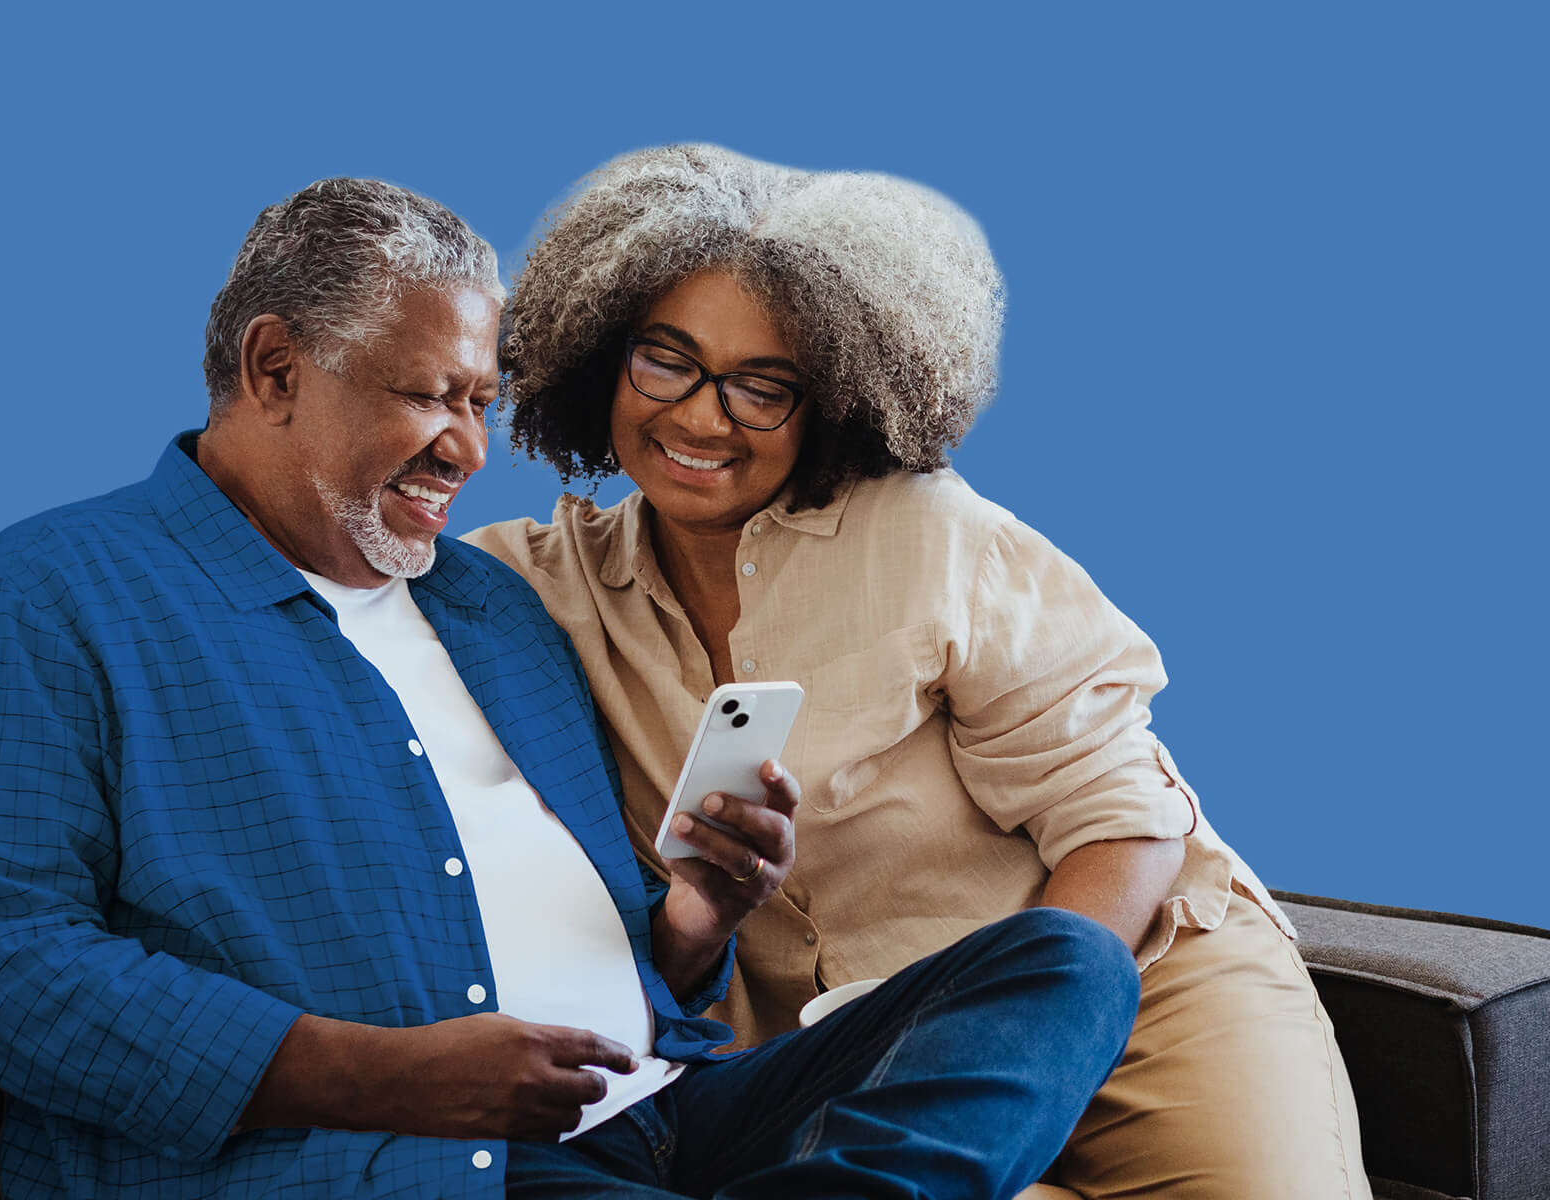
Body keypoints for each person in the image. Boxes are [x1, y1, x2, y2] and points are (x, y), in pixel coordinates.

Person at [0, 176, 1140, 1200]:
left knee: (1056, 968)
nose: (468, 449)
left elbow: (594, 937)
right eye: (428, 395)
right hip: (408, 1163)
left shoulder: (488, 610)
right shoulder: (55, 596)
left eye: (481, 402)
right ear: (274, 369)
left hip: (666, 1109)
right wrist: (378, 1078)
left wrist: (693, 918)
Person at [467, 145, 1372, 1200]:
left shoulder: (930, 542)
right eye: (665, 360)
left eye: (763, 387)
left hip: (1134, 985)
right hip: (856, 1054)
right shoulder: (526, 591)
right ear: (596, 355)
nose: (702, 416)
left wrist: (1020, 1047)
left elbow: (1123, 828)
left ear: (834, 403)